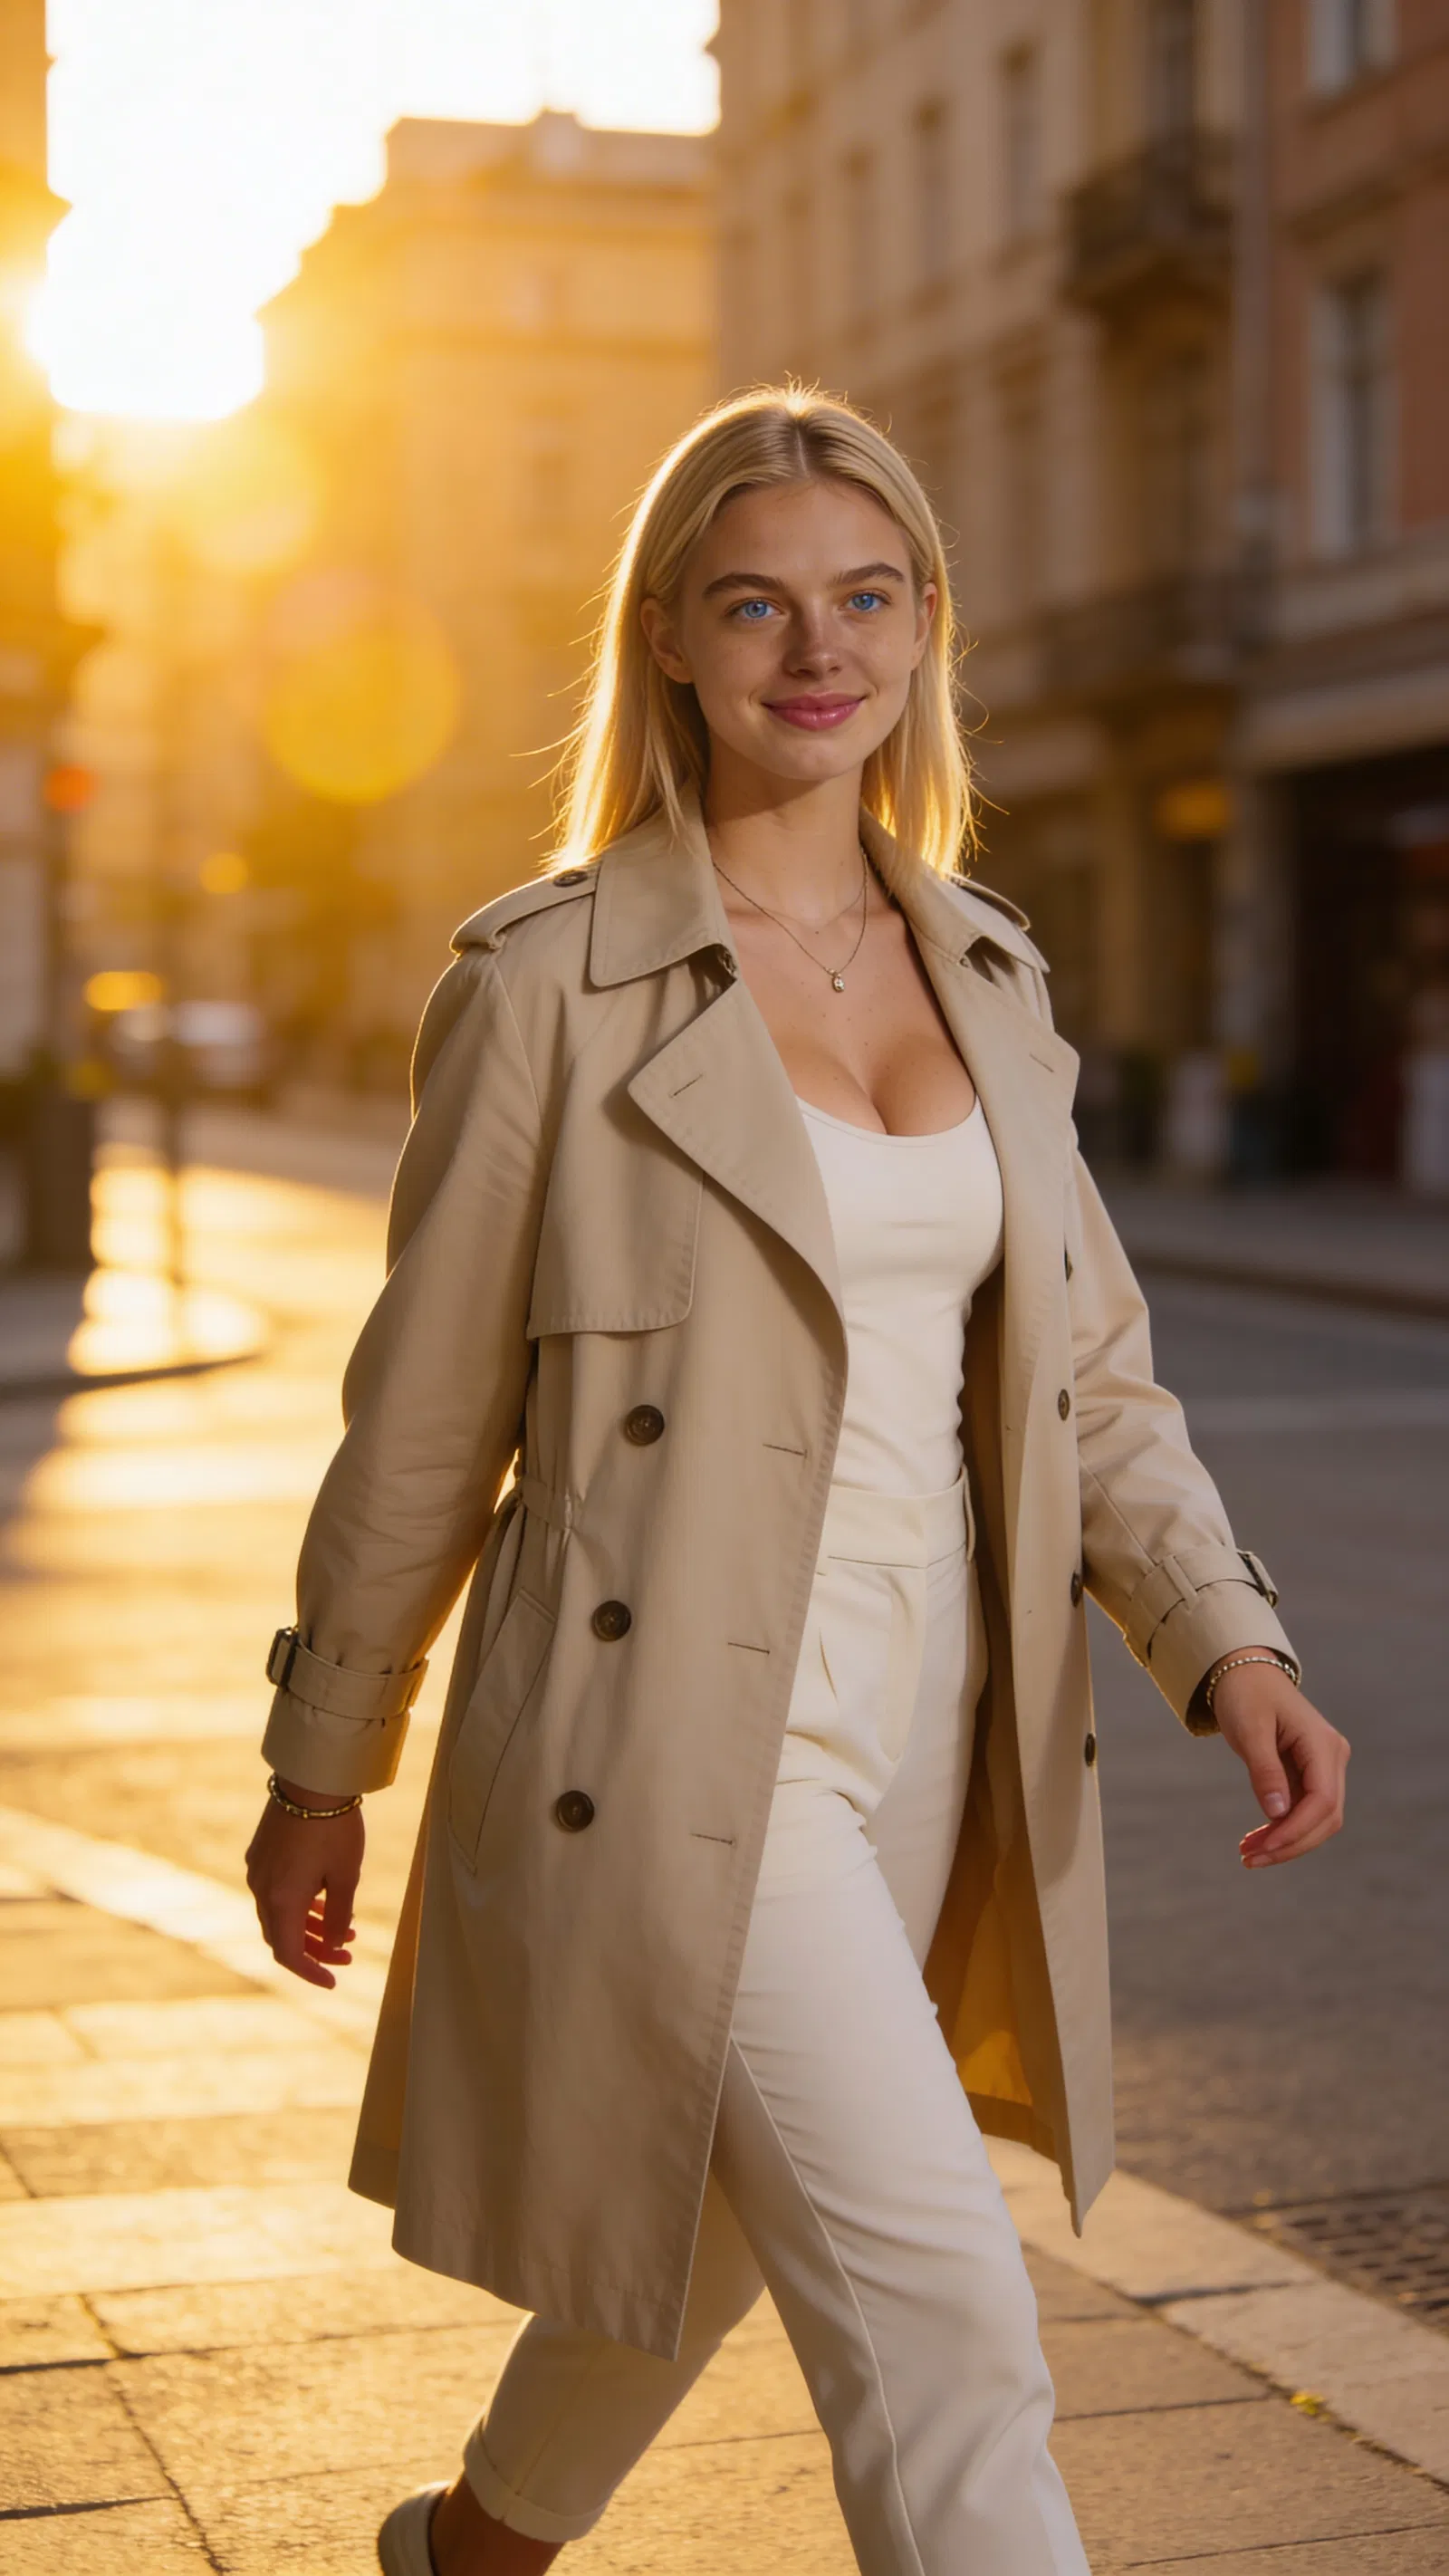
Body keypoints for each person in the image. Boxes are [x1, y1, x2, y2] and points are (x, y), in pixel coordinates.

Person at [245, 389, 1348, 2576]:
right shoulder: (547, 981)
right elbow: (424, 1415)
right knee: (938, 2305)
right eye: (754, 603)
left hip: (936, 1711)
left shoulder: (991, 973)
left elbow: (1089, 1380)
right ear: (668, 637)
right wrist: (323, 1750)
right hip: (663, 1727)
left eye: (863, 598)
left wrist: (1224, 1638)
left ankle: (466, 2551)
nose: (812, 650)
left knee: (746, 2205)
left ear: (925, 625)